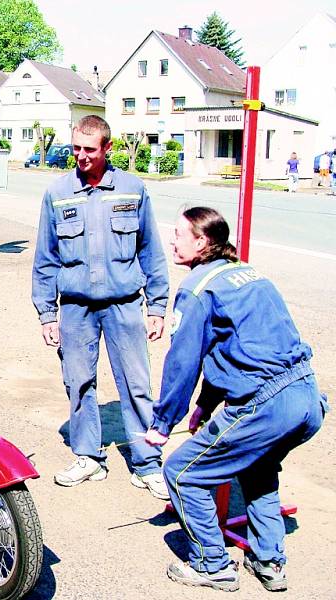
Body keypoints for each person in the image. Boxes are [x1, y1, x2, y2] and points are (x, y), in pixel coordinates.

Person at [144, 207, 328, 593]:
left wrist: (163, 424)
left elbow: (184, 362)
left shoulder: (197, 288)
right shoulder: (250, 275)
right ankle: (269, 561)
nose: (172, 241)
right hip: (307, 397)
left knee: (181, 472)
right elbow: (232, 348)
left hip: (267, 404)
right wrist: (205, 406)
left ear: (202, 241)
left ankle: (212, 564)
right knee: (258, 467)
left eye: (178, 234)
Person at [31, 115, 170, 498]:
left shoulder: (132, 189)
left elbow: (151, 252)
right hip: (76, 308)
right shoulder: (58, 192)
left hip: (124, 306)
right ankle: (89, 457)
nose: (81, 156)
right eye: (76, 148)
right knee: (78, 383)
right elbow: (46, 258)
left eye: (89, 150)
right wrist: (47, 313)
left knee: (137, 385)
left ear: (108, 148)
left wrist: (157, 307)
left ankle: (147, 463)